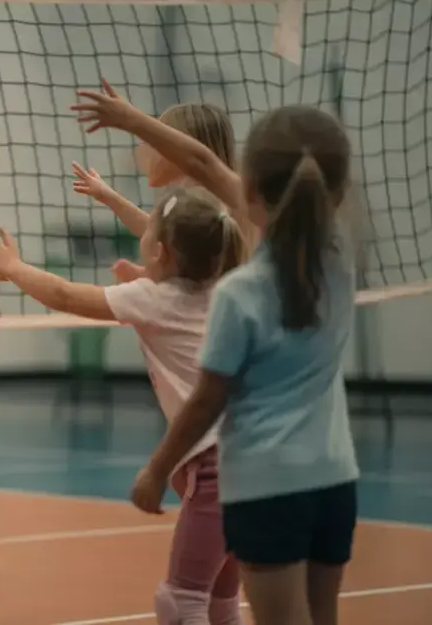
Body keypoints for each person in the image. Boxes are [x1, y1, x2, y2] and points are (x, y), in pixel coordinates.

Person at [130, 105, 359, 625]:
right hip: (334, 479)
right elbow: (208, 166)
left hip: (264, 482)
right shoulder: (340, 261)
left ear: (250, 189)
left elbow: (208, 400)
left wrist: (158, 468)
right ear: (338, 190)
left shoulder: (239, 293)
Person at [0, 184, 246, 625]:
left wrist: (13, 267)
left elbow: (64, 296)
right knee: (222, 598)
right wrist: (143, 268)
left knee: (182, 602)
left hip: (219, 469)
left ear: (160, 251)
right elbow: (175, 286)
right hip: (260, 461)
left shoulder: (150, 298)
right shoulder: (225, 290)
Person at [71, 79, 255, 282]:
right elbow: (159, 233)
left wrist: (143, 278)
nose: (149, 149)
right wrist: (109, 196)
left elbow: (195, 275)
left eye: (158, 141)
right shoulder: (188, 199)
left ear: (179, 149)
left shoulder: (205, 200)